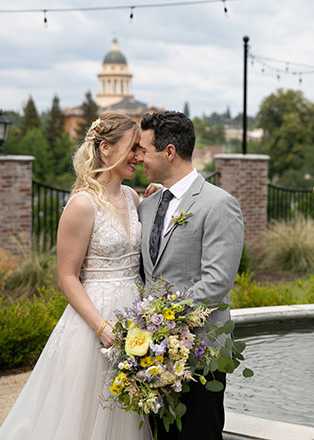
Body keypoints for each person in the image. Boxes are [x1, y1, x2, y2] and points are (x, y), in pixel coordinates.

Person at [0, 113, 152, 440]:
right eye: (133, 148)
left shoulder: (133, 198)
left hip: (133, 316)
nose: (139, 156)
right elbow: (67, 276)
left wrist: (158, 194)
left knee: (128, 409)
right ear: (106, 148)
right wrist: (101, 327)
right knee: (85, 412)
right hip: (94, 323)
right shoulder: (82, 205)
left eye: (140, 149)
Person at [137, 111, 244, 440]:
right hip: (150, 357)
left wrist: (159, 319)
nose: (138, 157)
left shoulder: (218, 204)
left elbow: (216, 281)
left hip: (200, 355)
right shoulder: (147, 204)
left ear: (169, 152)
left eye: (143, 149)